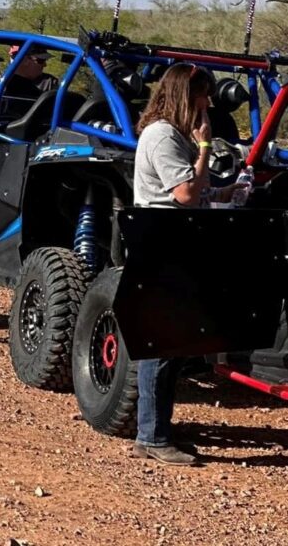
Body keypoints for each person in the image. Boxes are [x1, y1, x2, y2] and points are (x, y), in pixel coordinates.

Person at [131, 63, 238, 465]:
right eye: (202, 95)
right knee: (162, 341)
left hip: (174, 239)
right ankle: (152, 437)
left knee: (172, 342)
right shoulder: (163, 136)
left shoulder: (171, 134)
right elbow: (185, 194)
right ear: (184, 94)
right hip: (164, 240)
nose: (207, 103)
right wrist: (206, 146)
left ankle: (156, 430)